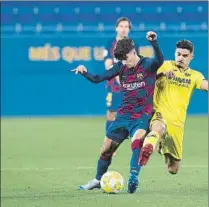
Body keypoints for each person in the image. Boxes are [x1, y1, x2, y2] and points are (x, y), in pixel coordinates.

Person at [71, 31, 164, 193]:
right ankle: (98, 180)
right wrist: (85, 72)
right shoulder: (121, 67)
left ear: (133, 52)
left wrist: (154, 42)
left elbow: (160, 60)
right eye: (120, 59)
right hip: (123, 115)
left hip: (141, 114)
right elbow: (98, 78)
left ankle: (133, 176)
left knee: (137, 140)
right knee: (106, 148)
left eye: (125, 58)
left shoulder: (148, 64)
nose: (124, 62)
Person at [139, 40, 208, 176]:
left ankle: (161, 147)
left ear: (191, 57)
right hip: (159, 114)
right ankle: (148, 147)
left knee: (173, 169)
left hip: (177, 124)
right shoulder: (165, 65)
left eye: (185, 55)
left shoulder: (195, 75)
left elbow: (205, 84)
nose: (181, 58)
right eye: (178, 54)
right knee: (158, 127)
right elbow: (146, 77)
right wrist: (162, 75)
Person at [104, 17, 140, 136]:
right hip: (114, 85)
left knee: (134, 113)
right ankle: (109, 143)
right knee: (111, 113)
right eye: (121, 26)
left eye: (126, 27)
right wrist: (118, 77)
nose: (123, 29)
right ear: (116, 28)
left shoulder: (133, 44)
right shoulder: (110, 43)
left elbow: (136, 64)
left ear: (129, 29)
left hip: (129, 83)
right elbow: (108, 63)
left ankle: (136, 141)